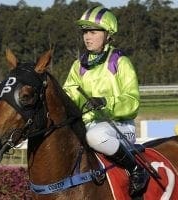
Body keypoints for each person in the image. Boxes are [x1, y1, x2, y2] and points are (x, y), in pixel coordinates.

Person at [63, 6, 149, 198]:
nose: (87, 37)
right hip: (88, 127)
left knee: (95, 136)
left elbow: (132, 101)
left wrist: (105, 102)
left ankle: (137, 169)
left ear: (108, 34)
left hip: (118, 127)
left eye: (93, 32)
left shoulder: (120, 62)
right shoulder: (78, 65)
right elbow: (69, 96)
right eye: (85, 32)